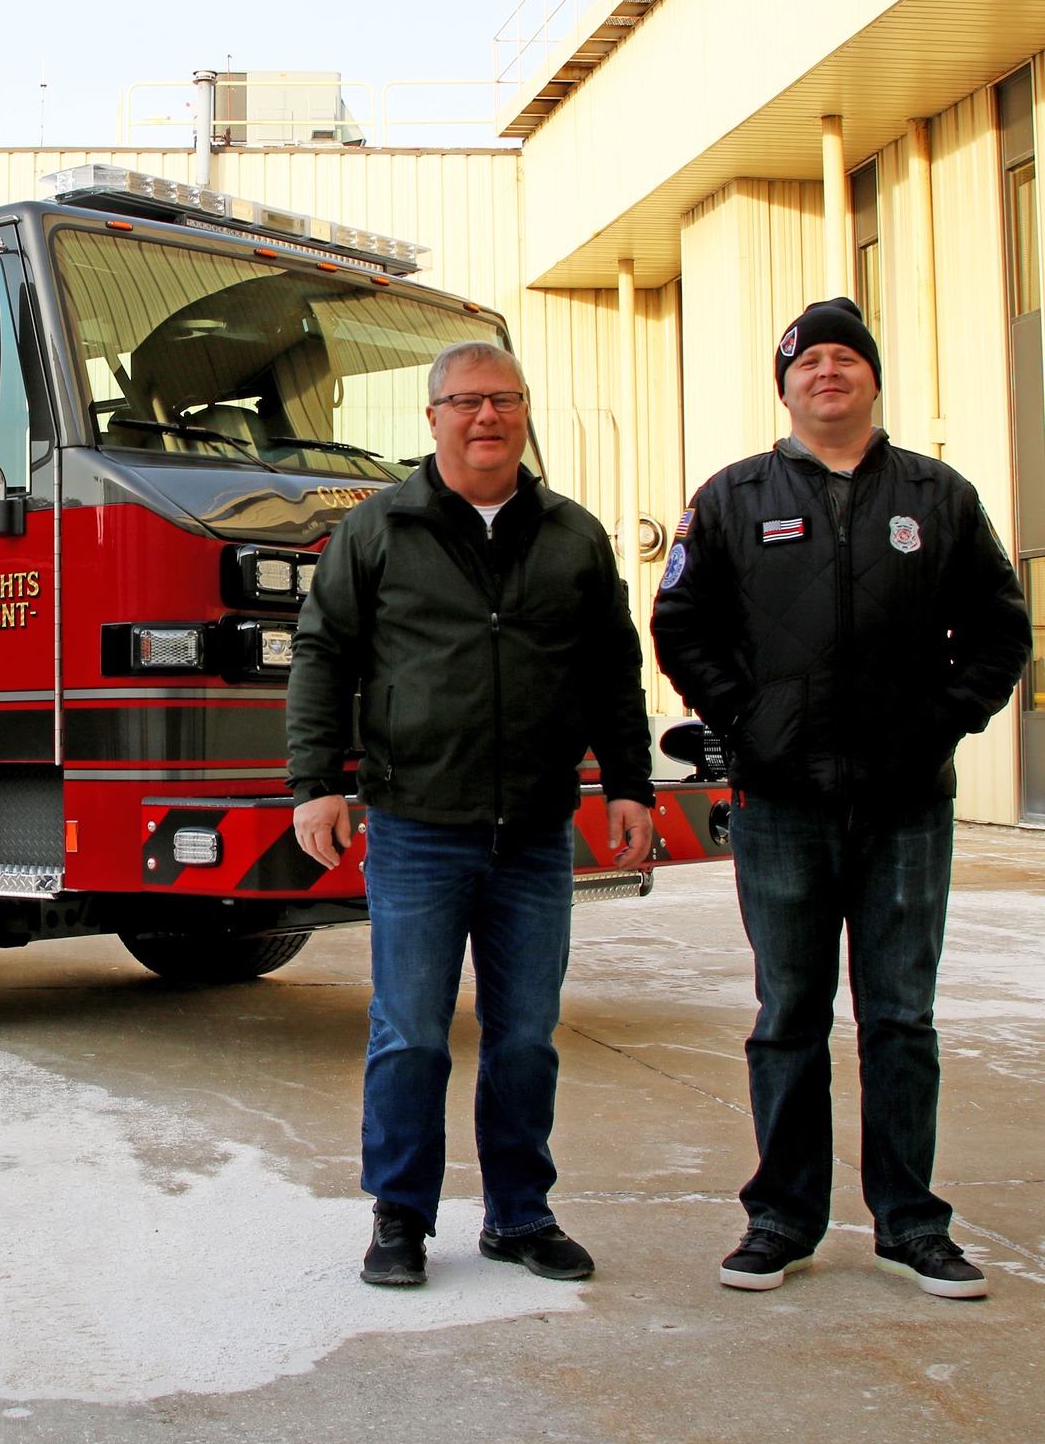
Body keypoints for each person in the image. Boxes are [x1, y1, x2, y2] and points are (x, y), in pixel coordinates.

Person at [652, 298, 1030, 1300]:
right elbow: (680, 623)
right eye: (807, 360)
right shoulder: (731, 497)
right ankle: (781, 1217)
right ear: (783, 386)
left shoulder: (938, 496)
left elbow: (1000, 629)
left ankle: (910, 1223)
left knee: (900, 1016)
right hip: (780, 803)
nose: (827, 371)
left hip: (906, 804)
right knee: (789, 1013)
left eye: (844, 357)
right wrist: (747, 721)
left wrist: (942, 720)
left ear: (872, 378)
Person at [288, 340, 656, 1288]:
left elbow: (612, 668)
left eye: (504, 399)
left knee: (525, 1034)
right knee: (411, 1031)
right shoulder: (378, 528)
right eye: (466, 401)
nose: (486, 416)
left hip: (534, 830)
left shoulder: (573, 536)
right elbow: (323, 652)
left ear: (524, 412)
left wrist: (630, 783)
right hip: (417, 826)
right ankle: (400, 1216)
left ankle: (519, 1213)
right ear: (433, 417)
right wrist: (315, 781)